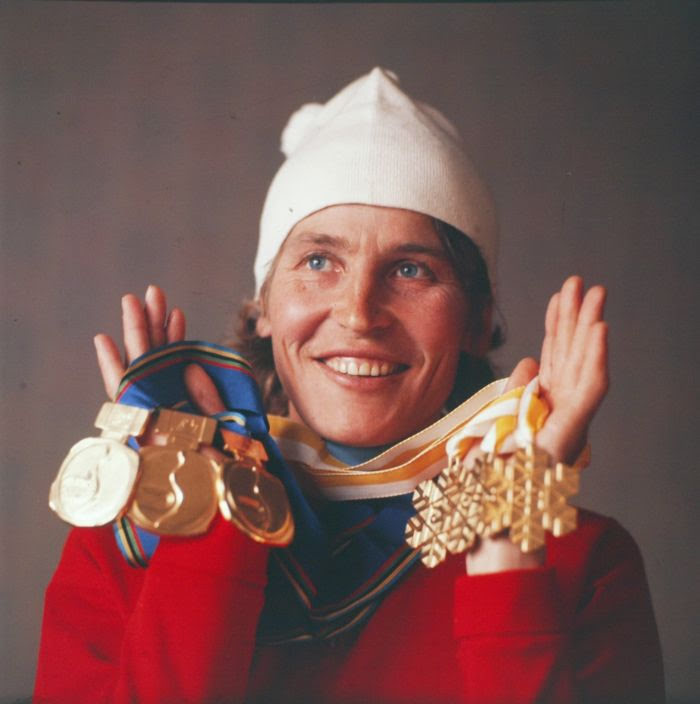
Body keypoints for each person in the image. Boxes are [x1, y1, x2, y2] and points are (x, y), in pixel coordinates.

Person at [34, 67, 664, 703]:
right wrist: (204, 513)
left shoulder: (580, 564)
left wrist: (505, 540)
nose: (360, 313)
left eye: (411, 270)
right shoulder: (129, 542)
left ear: (477, 322)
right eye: (318, 261)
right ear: (263, 307)